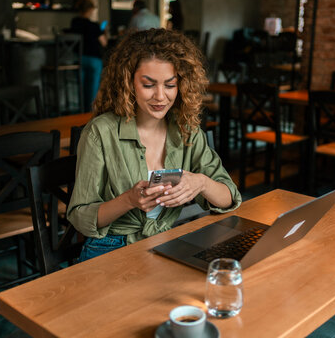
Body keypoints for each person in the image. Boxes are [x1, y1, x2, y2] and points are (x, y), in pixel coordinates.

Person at [67, 29, 241, 262]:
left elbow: (229, 197)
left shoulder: (186, 129)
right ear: (128, 83)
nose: (161, 96)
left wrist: (201, 183)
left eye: (170, 85)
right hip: (111, 247)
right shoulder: (100, 132)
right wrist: (128, 200)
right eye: (148, 85)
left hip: (167, 242)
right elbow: (80, 217)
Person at [70, 0, 107, 112]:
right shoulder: (94, 26)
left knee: (82, 87)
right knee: (93, 88)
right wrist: (104, 32)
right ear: (90, 10)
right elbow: (104, 43)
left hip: (79, 59)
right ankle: (90, 112)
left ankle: (81, 111)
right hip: (93, 60)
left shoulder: (74, 23)